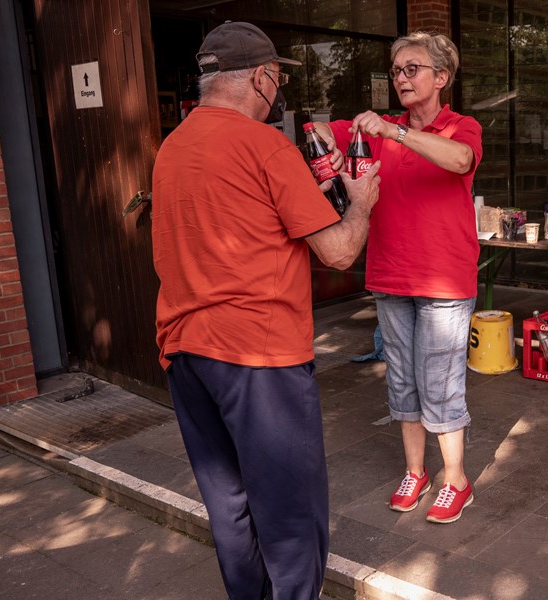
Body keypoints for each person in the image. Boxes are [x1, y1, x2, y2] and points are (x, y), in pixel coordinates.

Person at [151, 21, 380, 599]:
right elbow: (338, 251)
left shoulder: (171, 148)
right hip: (259, 355)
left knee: (229, 509)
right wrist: (361, 204)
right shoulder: (265, 146)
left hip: (185, 352)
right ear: (261, 76)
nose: (277, 91)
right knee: (291, 518)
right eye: (277, 78)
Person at [313, 32, 482, 524]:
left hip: (445, 282)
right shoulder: (376, 129)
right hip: (390, 275)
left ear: (440, 78)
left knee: (442, 383)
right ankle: (416, 472)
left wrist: (396, 135)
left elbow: (461, 161)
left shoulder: (460, 127)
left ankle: (456, 479)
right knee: (403, 381)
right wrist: (331, 151)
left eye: (412, 69)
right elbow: (319, 129)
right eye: (397, 71)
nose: (401, 78)